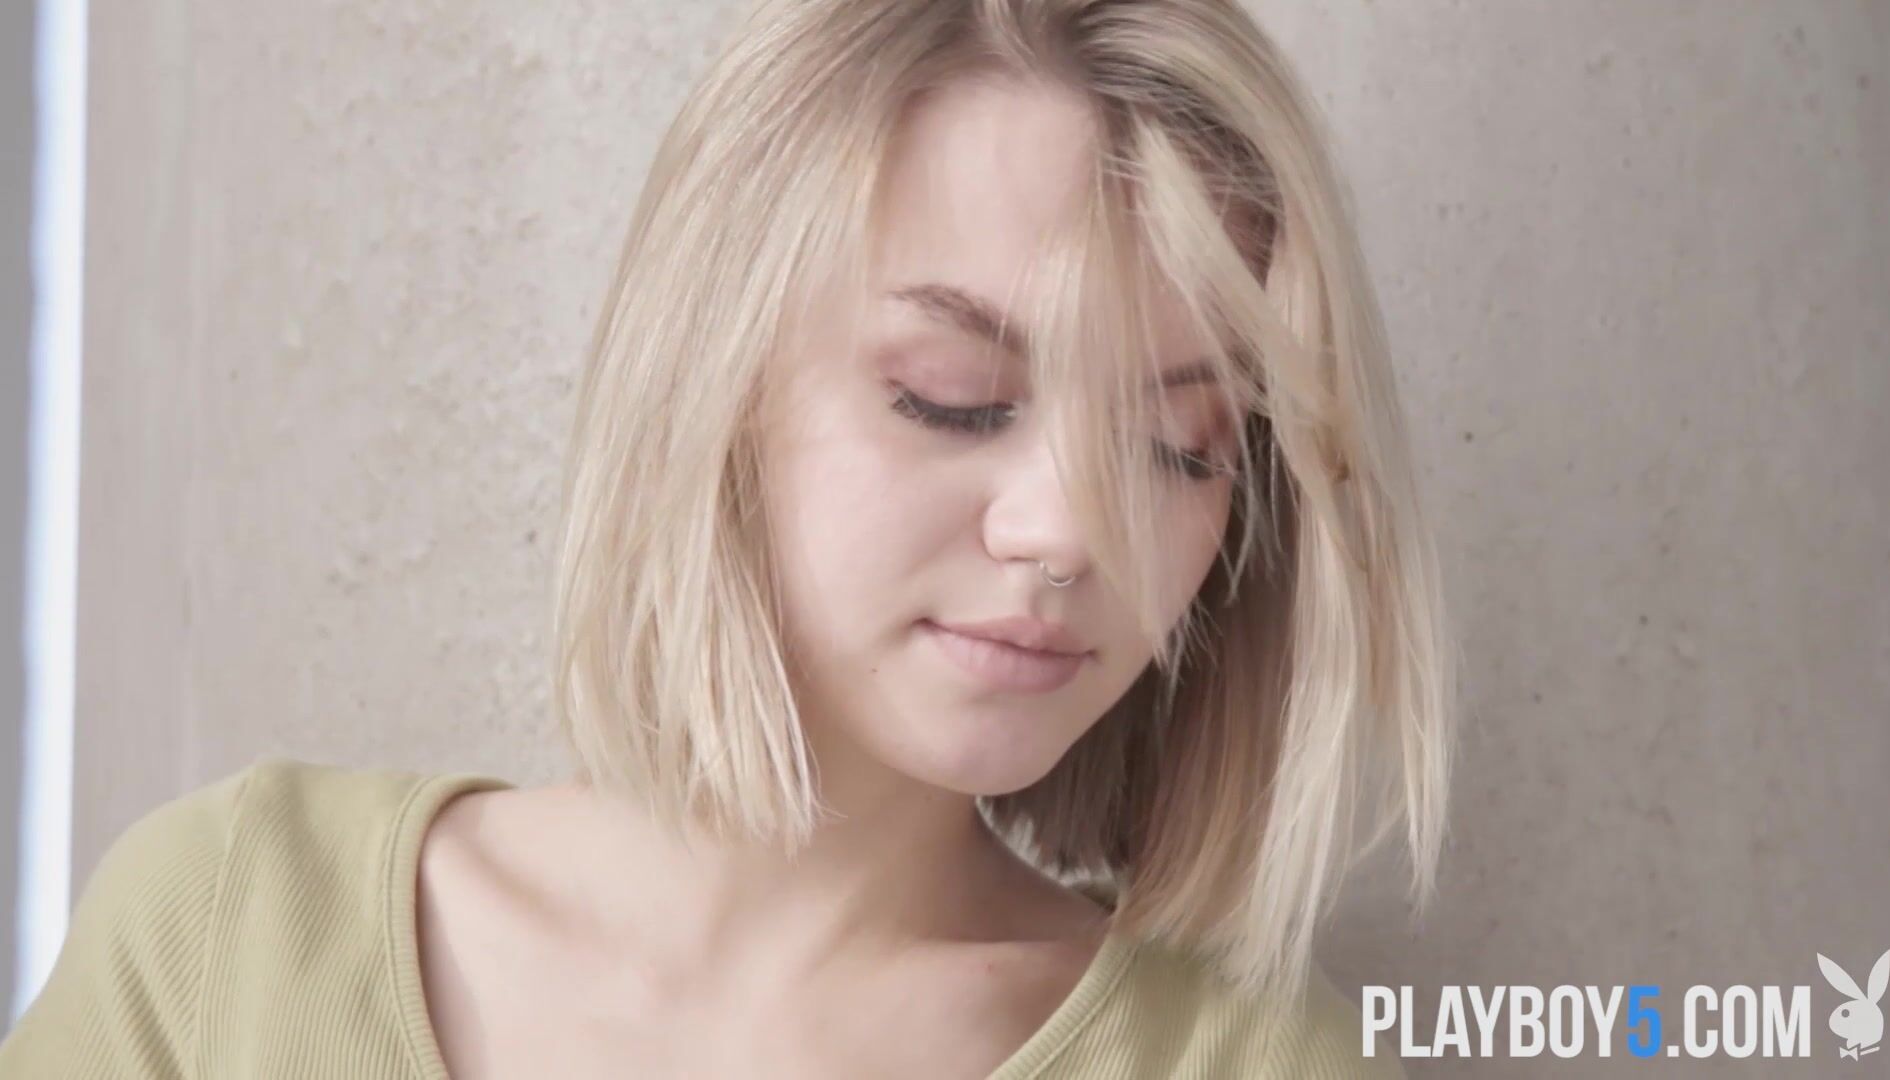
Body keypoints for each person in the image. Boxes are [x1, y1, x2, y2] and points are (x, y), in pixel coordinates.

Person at [0, 0, 1456, 1076]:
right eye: (953, 399)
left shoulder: (1246, 1065)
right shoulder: (231, 934)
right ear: (716, 378)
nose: (1067, 532)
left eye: (1180, 448)